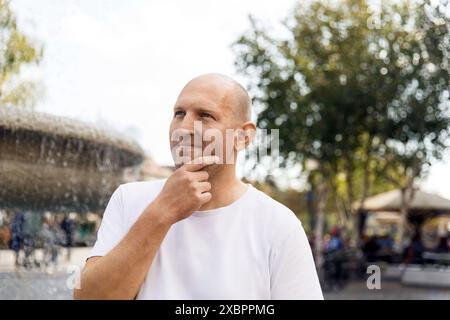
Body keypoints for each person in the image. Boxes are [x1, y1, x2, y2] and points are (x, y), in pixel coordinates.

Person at [74, 73, 323, 300]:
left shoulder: (279, 224)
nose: (183, 128)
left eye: (205, 116)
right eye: (179, 113)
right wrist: (161, 212)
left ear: (243, 137)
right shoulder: (128, 199)